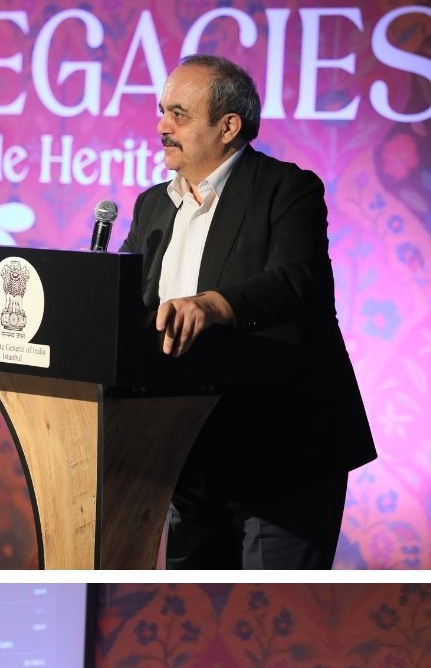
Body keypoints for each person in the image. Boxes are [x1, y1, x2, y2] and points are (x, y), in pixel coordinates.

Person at [119, 53, 377, 570]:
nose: (162, 126)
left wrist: (212, 305)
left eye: (178, 114)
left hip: (282, 453)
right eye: (162, 112)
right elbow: (128, 302)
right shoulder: (153, 205)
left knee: (269, 605)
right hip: (187, 456)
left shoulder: (287, 189)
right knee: (193, 605)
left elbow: (295, 281)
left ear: (228, 126)